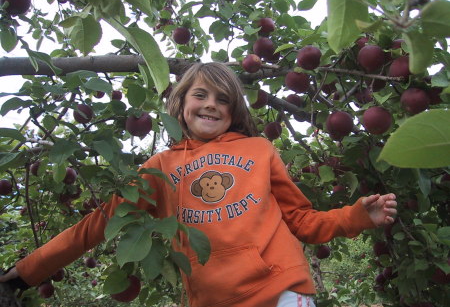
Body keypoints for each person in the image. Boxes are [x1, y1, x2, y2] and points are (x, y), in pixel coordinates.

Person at [0, 62, 397, 307]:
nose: (211, 104)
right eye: (201, 94)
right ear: (180, 104)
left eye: (223, 99)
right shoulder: (160, 167)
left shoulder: (259, 150)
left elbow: (303, 221)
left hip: (280, 290)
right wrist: (27, 272)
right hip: (212, 298)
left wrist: (354, 217)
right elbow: (101, 222)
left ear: (234, 110)